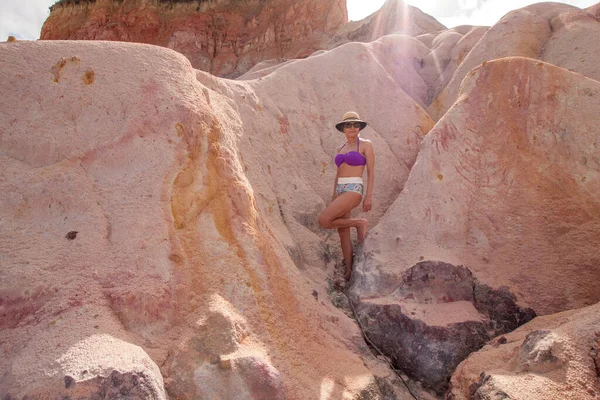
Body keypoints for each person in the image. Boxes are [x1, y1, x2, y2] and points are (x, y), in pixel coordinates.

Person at [318, 111, 374, 281]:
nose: (352, 127)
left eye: (355, 124)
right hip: (341, 190)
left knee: (324, 220)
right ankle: (349, 270)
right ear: (343, 128)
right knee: (343, 231)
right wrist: (334, 195)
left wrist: (368, 196)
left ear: (359, 127)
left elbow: (371, 172)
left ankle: (359, 223)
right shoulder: (340, 148)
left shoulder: (365, 145)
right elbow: (337, 175)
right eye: (348, 125)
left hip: (354, 188)